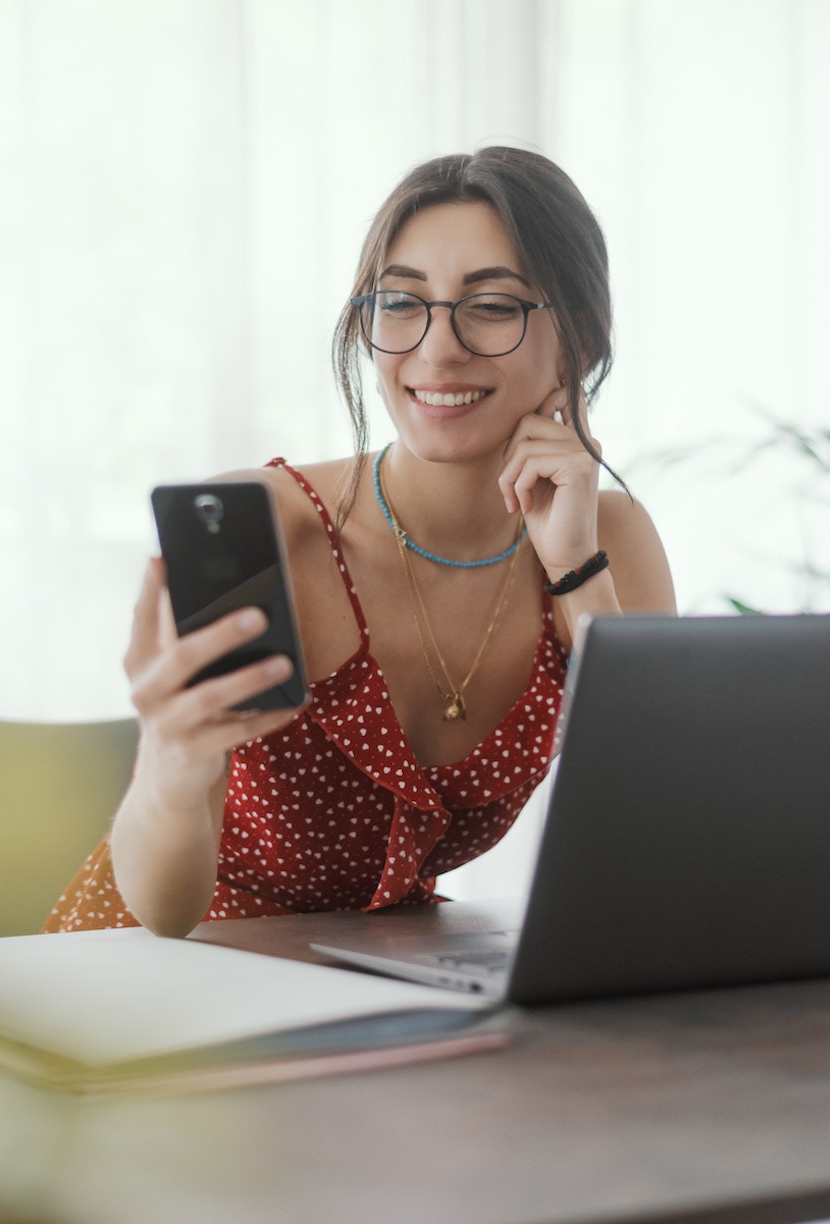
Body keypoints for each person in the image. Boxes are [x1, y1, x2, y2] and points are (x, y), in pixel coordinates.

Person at [43, 146, 676, 939]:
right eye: (402, 303)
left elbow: (665, 842)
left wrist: (576, 575)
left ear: (577, 336)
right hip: (166, 969)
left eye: (491, 306)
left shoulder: (611, 538)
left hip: (373, 976)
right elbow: (165, 915)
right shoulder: (264, 528)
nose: (437, 350)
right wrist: (172, 761)